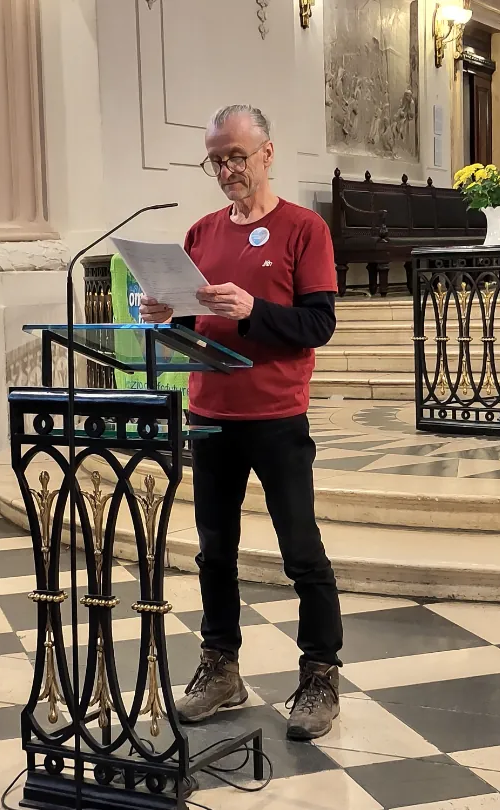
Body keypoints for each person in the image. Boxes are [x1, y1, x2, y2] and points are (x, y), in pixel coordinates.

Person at [139, 104, 343, 741]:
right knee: (213, 550)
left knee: (300, 549)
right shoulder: (200, 233)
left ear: (268, 153)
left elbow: (318, 326)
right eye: (217, 159)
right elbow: (191, 330)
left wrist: (255, 310)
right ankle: (221, 667)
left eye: (237, 156)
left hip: (276, 415)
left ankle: (319, 675)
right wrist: (163, 320)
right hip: (210, 415)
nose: (227, 169)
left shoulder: (304, 229)